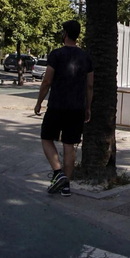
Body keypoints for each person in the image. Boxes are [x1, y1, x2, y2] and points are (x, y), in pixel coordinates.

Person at [34, 20, 94, 195]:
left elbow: (47, 81)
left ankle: (58, 173)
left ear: (65, 34)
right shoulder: (86, 57)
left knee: (46, 138)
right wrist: (88, 107)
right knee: (69, 145)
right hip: (77, 107)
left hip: (57, 105)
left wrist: (39, 102)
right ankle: (66, 185)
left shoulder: (56, 55)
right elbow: (90, 86)